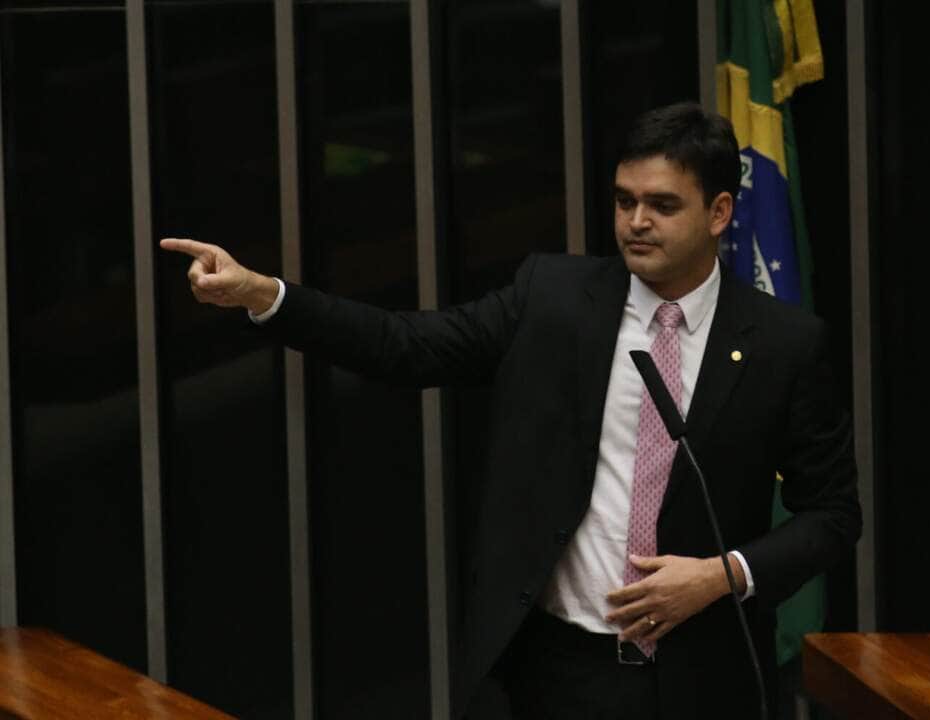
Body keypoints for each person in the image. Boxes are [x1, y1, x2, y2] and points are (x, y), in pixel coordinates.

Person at [161, 101, 860, 720]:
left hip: (705, 680)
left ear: (719, 213)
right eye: (623, 201)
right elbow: (406, 346)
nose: (636, 222)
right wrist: (265, 295)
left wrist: (721, 575)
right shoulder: (552, 299)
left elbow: (832, 515)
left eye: (662, 205)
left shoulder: (781, 343)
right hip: (560, 675)